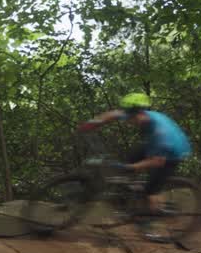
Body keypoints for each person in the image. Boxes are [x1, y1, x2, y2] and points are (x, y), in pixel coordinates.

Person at [77, 92, 192, 241]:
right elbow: (113, 114)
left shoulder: (161, 134)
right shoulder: (136, 114)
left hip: (172, 152)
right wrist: (91, 123)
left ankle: (148, 221)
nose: (128, 121)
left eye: (131, 118)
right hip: (153, 144)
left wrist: (133, 168)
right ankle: (132, 193)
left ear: (140, 114)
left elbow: (157, 161)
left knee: (150, 189)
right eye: (128, 117)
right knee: (130, 160)